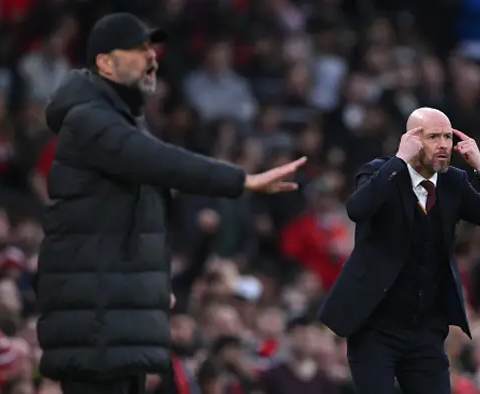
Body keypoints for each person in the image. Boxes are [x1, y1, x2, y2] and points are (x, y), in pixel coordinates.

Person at [35, 13, 306, 394]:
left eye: (152, 49)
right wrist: (240, 180)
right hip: (94, 318)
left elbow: (135, 219)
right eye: (138, 50)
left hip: (115, 314)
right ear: (105, 63)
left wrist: (156, 288)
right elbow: (160, 160)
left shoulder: (124, 120)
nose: (152, 58)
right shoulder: (88, 119)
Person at [318, 107, 480, 394]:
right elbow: (357, 209)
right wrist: (400, 161)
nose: (443, 145)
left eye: (447, 137)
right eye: (434, 137)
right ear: (412, 140)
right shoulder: (379, 172)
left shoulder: (454, 182)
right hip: (375, 326)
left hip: (425, 330)